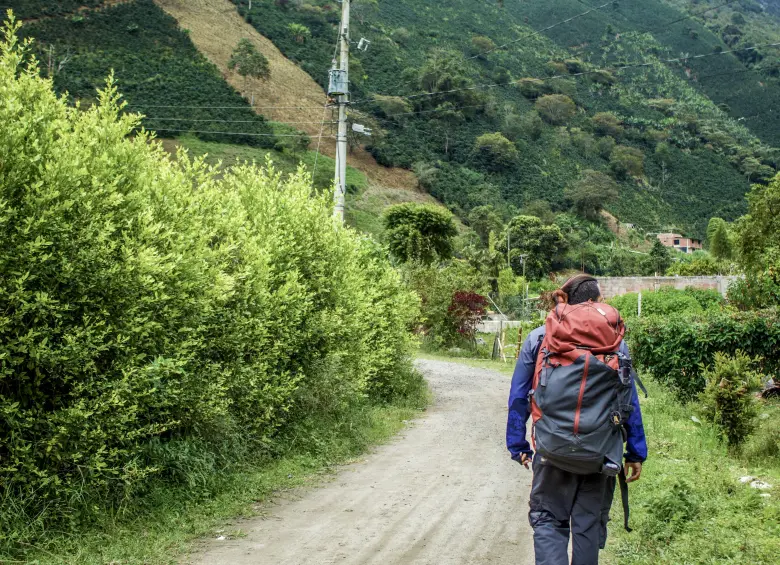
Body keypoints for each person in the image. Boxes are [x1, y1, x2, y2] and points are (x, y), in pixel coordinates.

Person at [506, 275, 647, 565]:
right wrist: (635, 452)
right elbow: (628, 401)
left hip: (551, 451)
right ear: (597, 301)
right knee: (587, 526)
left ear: (566, 301)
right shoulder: (616, 343)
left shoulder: (540, 337)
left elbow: (519, 395)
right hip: (600, 453)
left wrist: (517, 444)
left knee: (548, 521)